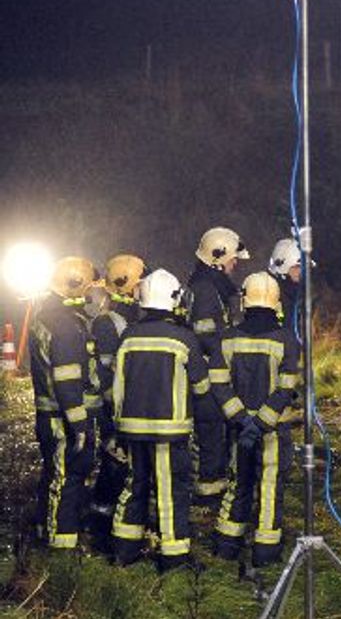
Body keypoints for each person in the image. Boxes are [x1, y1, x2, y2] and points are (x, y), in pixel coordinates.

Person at [109, 269, 212, 571]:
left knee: (134, 485)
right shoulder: (183, 338)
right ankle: (174, 557)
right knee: (170, 492)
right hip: (169, 431)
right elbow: (201, 387)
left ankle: (124, 550)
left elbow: (117, 382)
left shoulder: (128, 336)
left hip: (131, 429)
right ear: (174, 299)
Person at [209, 272, 301, 568]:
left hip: (239, 429)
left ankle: (227, 545)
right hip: (273, 430)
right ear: (276, 303)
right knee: (270, 485)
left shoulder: (227, 338)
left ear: (244, 301)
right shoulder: (286, 339)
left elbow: (219, 384)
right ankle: (265, 551)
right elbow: (286, 388)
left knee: (238, 482)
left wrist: (242, 421)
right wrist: (260, 424)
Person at [29, 256, 99, 550]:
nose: (91, 293)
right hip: (63, 417)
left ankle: (45, 530)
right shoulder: (66, 326)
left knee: (53, 475)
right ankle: (60, 545)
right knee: (67, 477)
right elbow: (68, 380)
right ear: (75, 285)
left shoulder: (46, 316)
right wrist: (80, 425)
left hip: (51, 414)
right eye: (88, 287)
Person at [186, 226, 249, 502]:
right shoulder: (205, 290)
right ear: (217, 258)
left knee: (216, 429)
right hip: (207, 372)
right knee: (210, 429)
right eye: (233, 259)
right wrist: (230, 354)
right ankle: (207, 489)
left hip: (213, 369)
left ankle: (213, 482)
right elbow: (206, 335)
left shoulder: (210, 287)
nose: (235, 264)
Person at [88, 254, 146, 535]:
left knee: (126, 464)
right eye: (140, 283)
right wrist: (117, 407)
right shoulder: (107, 322)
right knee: (115, 461)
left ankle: (118, 519)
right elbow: (105, 373)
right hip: (115, 408)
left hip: (127, 405)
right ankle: (101, 522)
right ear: (127, 286)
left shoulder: (128, 319)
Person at [267, 237, 303, 335]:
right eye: (296, 267)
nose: (300, 271)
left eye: (302, 267)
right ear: (282, 266)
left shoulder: (298, 293)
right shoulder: (270, 296)